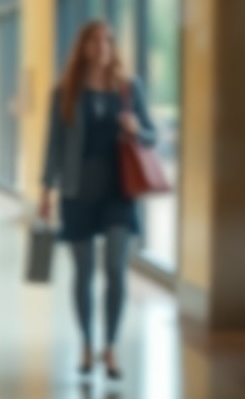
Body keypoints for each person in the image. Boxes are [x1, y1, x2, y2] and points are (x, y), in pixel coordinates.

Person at [38, 21, 157, 380]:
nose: (102, 46)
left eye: (107, 40)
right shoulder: (65, 92)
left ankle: (111, 347)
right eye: (94, 40)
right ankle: (87, 344)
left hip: (119, 191)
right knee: (84, 272)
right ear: (84, 47)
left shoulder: (129, 88)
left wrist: (138, 128)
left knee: (117, 270)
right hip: (77, 191)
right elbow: (54, 145)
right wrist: (46, 191)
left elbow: (153, 137)